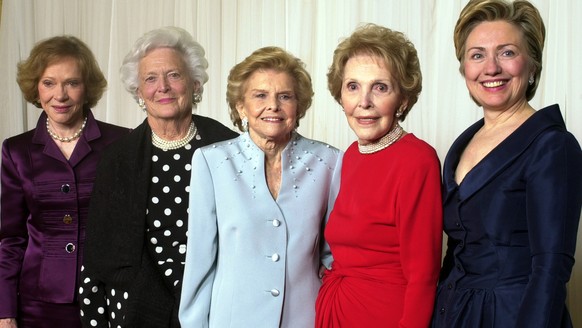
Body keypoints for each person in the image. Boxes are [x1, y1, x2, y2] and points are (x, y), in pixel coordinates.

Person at [431, 1, 582, 327]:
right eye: (477, 55)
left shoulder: (553, 146)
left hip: (513, 316)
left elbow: (551, 270)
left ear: (532, 65)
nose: (491, 68)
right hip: (454, 313)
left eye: (507, 52)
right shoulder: (463, 144)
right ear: (464, 69)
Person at [78, 27, 238, 328]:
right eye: (150, 78)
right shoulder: (117, 158)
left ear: (195, 83)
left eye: (174, 75)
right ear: (139, 92)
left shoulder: (229, 147)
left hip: (214, 305)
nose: (162, 87)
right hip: (136, 306)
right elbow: (98, 257)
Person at [178, 46, 343, 327]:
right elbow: (200, 263)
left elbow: (334, 257)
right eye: (260, 95)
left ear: (299, 105)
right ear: (241, 106)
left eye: (285, 96)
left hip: (306, 318)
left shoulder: (330, 162)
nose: (273, 106)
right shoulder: (212, 161)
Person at [314, 23, 443, 328]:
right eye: (353, 86)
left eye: (380, 87)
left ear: (404, 100)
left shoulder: (417, 160)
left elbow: (423, 275)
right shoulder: (351, 156)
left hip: (386, 316)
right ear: (340, 95)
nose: (364, 102)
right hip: (338, 310)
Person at [0, 36, 129, 328]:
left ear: (87, 88)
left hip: (108, 297)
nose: (60, 95)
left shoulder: (121, 142)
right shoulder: (16, 150)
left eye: (71, 83)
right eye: (49, 83)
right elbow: (10, 238)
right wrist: (4, 311)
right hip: (36, 304)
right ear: (36, 87)